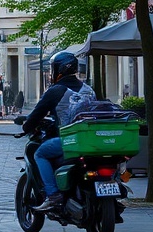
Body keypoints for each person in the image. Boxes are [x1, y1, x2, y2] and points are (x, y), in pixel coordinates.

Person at [16, 51, 95, 211]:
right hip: (90, 140)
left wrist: (26, 126)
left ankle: (53, 195)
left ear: (57, 70)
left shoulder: (56, 90)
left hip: (68, 141)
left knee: (40, 153)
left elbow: (37, 113)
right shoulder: (89, 90)